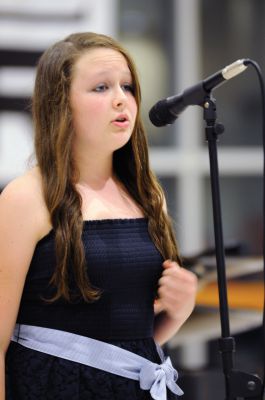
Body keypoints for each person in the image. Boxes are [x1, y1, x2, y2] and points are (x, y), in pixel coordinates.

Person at [0, 32, 197, 400]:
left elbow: (129, 339)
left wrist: (180, 311)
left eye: (127, 86)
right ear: (61, 104)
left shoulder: (148, 195)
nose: (121, 99)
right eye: (101, 88)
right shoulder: (26, 198)